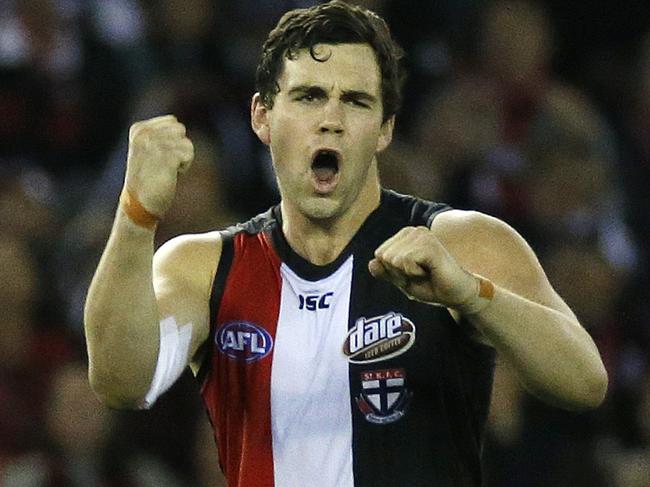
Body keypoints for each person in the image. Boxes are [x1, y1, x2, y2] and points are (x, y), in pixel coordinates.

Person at [84, 2, 608, 486]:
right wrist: (135, 218)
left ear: (383, 130)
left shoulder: (460, 243)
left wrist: (472, 295)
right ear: (262, 117)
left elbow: (584, 382)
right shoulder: (206, 266)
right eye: (309, 96)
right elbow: (121, 382)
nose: (331, 119)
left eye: (355, 101)